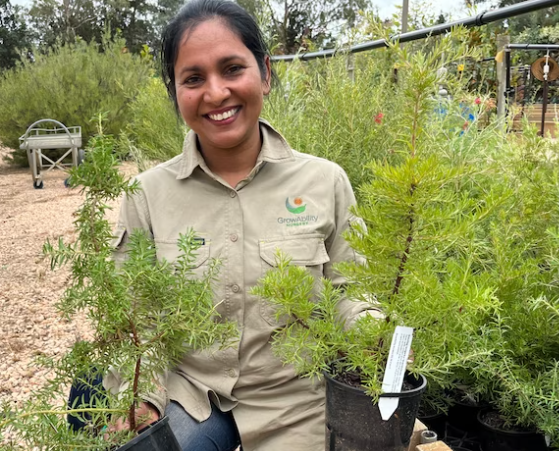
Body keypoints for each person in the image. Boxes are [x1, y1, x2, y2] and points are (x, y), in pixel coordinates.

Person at [68, 1, 379, 449]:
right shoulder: (146, 194)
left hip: (293, 402)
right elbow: (137, 318)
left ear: (265, 73)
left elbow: (350, 290)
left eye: (232, 68)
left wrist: (375, 331)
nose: (215, 93)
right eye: (193, 78)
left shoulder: (324, 181)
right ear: (175, 93)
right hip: (188, 392)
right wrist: (141, 396)